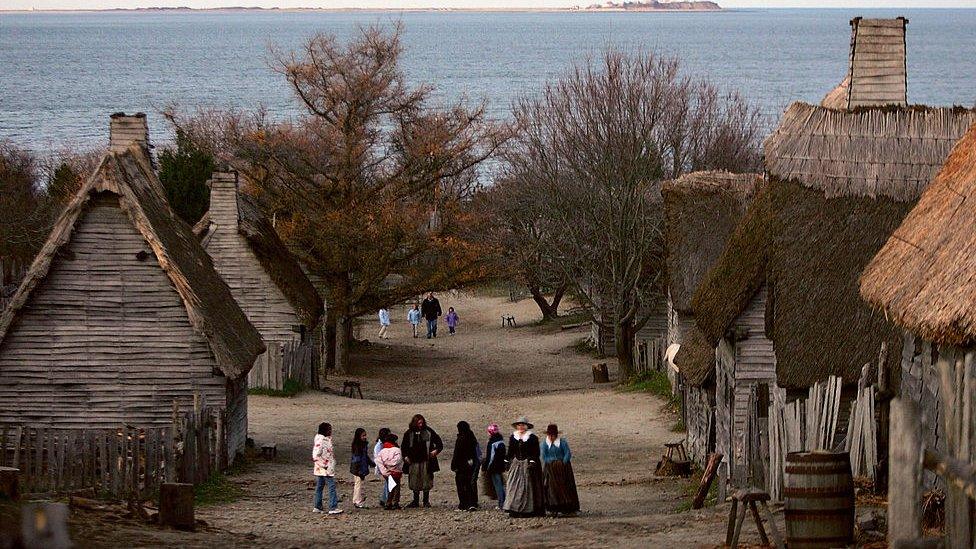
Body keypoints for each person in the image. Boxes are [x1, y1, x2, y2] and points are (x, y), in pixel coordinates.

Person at [502, 416, 544, 517]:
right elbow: (511, 450)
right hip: (516, 464)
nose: (520, 426)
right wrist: (507, 460)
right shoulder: (513, 437)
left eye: (522, 425)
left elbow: (536, 452)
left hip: (527, 463)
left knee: (527, 487)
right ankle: (514, 509)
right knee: (513, 486)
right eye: (519, 425)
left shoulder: (532, 438)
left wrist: (532, 461)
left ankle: (527, 510)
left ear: (526, 426)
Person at [401, 413, 443, 507]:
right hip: (413, 461)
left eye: (421, 423)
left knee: (426, 480)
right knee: (414, 480)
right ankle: (415, 501)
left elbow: (439, 443)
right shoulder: (409, 433)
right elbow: (404, 447)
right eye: (418, 423)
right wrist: (405, 456)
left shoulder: (428, 431)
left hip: (426, 460)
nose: (420, 425)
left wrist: (435, 451)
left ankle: (426, 501)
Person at [541, 423, 580, 515]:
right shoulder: (544, 444)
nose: (551, 437)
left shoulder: (562, 442)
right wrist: (551, 463)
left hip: (563, 468)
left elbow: (567, 453)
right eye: (550, 435)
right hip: (550, 468)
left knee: (566, 486)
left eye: (553, 435)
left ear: (556, 435)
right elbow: (544, 456)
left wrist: (562, 462)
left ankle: (568, 509)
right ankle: (552, 508)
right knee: (550, 487)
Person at [312, 422, 342, 515]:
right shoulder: (321, 441)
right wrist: (323, 464)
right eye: (329, 430)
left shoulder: (324, 440)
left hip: (323, 467)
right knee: (331, 486)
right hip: (325, 468)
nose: (331, 431)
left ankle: (318, 506)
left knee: (320, 486)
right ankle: (333, 506)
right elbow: (315, 455)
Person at [450, 421, 480, 511]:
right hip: (471, 464)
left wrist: (453, 465)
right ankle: (472, 503)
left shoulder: (460, 439)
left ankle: (463, 504)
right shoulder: (471, 437)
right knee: (470, 485)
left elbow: (457, 453)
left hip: (461, 466)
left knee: (461, 486)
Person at [481, 423, 507, 510]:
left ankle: (501, 503)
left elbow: (491, 457)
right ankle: (504, 502)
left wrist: (487, 467)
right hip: (500, 467)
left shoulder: (493, 443)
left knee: (498, 486)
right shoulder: (501, 442)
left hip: (494, 468)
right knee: (501, 485)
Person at [376, 433, 403, 510]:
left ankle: (388, 503)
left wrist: (385, 469)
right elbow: (397, 461)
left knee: (390, 487)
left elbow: (378, 461)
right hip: (396, 472)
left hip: (387, 473)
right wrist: (391, 465)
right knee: (396, 488)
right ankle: (395, 503)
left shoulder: (382, 451)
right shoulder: (397, 450)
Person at [350, 427, 375, 509]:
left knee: (358, 484)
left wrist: (370, 463)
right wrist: (358, 471)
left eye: (365, 435)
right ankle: (357, 501)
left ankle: (356, 499)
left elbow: (365, 456)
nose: (365, 437)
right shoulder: (358, 446)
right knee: (358, 484)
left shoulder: (362, 445)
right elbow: (356, 459)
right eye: (363, 436)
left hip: (360, 468)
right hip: (358, 469)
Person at [373, 427, 391, 507]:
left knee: (388, 482)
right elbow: (378, 458)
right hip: (382, 467)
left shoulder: (382, 444)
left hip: (384, 466)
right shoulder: (379, 446)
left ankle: (384, 499)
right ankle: (386, 499)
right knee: (389, 482)